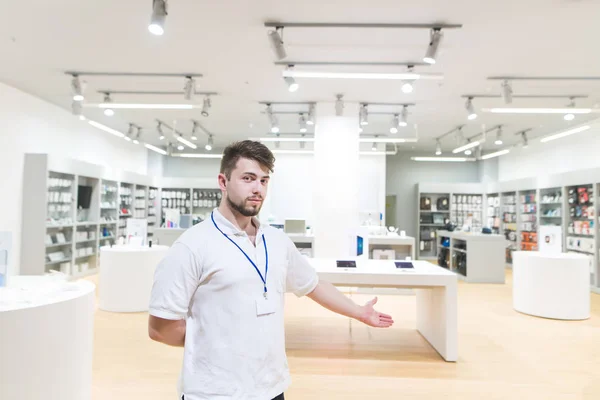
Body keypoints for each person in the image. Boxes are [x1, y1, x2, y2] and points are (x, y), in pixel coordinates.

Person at [148, 140, 394, 400]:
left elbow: (312, 284)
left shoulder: (276, 241)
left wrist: (358, 312)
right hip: (214, 392)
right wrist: (214, 343)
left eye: (264, 181)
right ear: (223, 181)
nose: (258, 189)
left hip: (271, 387)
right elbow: (160, 328)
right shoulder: (191, 245)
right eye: (248, 178)